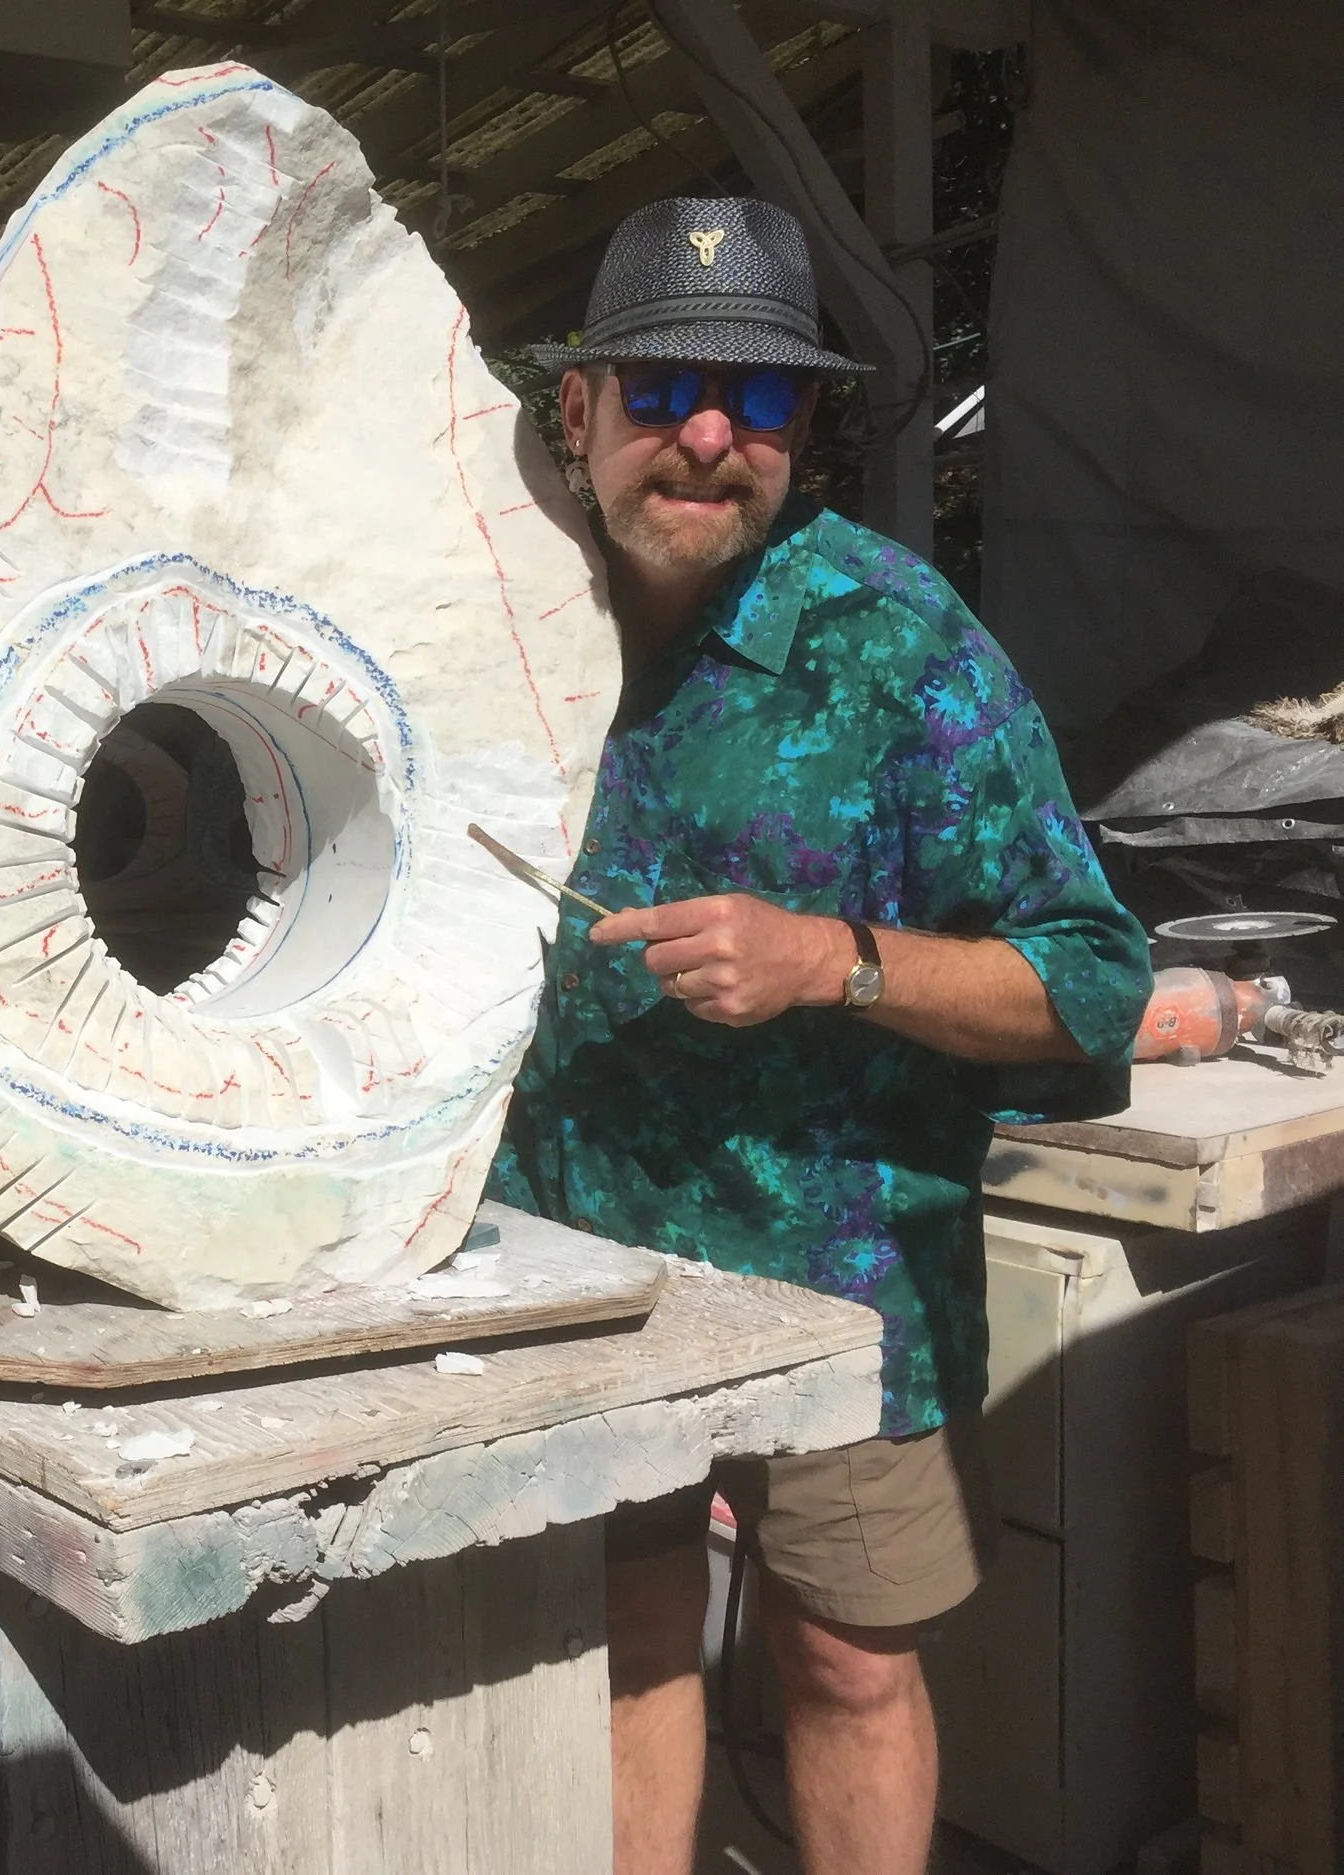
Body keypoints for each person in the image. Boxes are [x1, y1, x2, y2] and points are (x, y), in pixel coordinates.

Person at [493, 198, 1153, 1875]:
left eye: (761, 396)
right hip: (567, 1267)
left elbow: (1092, 981)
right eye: (666, 387)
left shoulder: (895, 645)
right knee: (624, 1642)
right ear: (578, 407)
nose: (711, 435)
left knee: (848, 1660)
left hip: (837, 1273)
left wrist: (836, 962)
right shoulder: (495, 616)